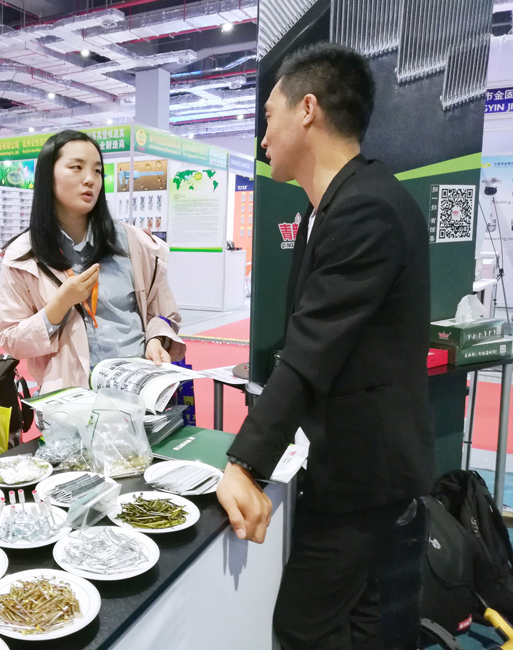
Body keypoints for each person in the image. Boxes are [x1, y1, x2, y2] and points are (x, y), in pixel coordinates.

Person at [215, 44, 433, 649]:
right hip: (354, 467)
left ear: (307, 109)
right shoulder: (332, 206)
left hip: (366, 477)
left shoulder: (365, 208)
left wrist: (245, 464)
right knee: (363, 623)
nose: (262, 137)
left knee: (304, 627)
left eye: (268, 116)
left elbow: (311, 351)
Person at [0, 130, 184, 394]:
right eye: (76, 167)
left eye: (97, 171)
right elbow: (12, 340)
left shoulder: (135, 243)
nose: (90, 179)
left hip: (137, 391)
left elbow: (164, 314)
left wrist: (156, 339)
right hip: (70, 400)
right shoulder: (22, 256)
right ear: (48, 176)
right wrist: (59, 306)